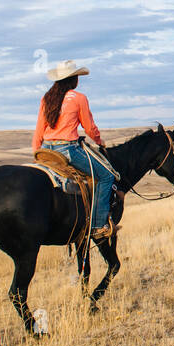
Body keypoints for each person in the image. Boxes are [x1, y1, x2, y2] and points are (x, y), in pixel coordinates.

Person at [33, 60, 116, 240]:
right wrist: (99, 141)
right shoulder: (79, 98)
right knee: (106, 176)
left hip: (47, 150)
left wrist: (36, 152)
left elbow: (39, 128)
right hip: (68, 150)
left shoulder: (47, 98)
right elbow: (89, 128)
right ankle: (97, 225)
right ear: (74, 80)